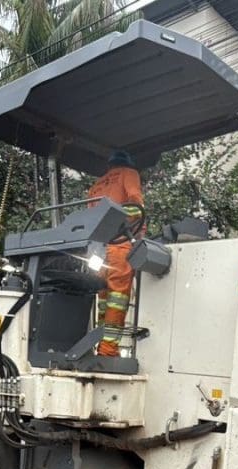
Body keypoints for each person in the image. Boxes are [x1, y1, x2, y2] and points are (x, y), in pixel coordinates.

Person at [87, 150, 144, 357]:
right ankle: (108, 350)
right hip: (119, 244)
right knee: (118, 298)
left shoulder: (96, 185)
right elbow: (136, 206)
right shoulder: (129, 174)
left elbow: (90, 219)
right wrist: (135, 231)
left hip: (97, 249)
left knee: (103, 298)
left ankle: (101, 344)